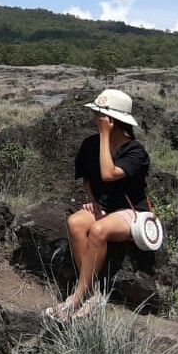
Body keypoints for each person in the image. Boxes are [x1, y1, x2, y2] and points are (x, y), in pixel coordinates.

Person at [45, 89, 150, 322]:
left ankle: (77, 297)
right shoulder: (90, 144)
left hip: (131, 211)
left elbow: (108, 172)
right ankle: (92, 293)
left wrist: (105, 136)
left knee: (99, 231)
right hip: (104, 207)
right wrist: (93, 201)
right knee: (75, 223)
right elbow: (88, 179)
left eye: (100, 115)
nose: (95, 120)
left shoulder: (135, 151)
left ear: (113, 120)